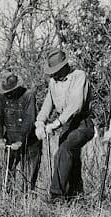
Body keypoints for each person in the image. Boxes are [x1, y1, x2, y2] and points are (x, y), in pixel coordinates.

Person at [35, 49, 95, 202]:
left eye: (56, 71)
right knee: (70, 160)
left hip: (82, 124)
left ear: (64, 66)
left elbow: (76, 105)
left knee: (64, 151)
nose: (53, 75)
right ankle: (75, 196)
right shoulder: (53, 83)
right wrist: (40, 122)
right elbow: (48, 104)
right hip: (66, 127)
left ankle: (56, 195)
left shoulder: (79, 76)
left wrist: (55, 124)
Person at [0, 71, 41, 193]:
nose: (7, 94)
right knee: (7, 172)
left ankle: (27, 201)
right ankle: (7, 198)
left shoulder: (28, 96)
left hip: (30, 141)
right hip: (10, 138)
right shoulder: (1, 97)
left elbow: (29, 120)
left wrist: (20, 140)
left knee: (28, 178)